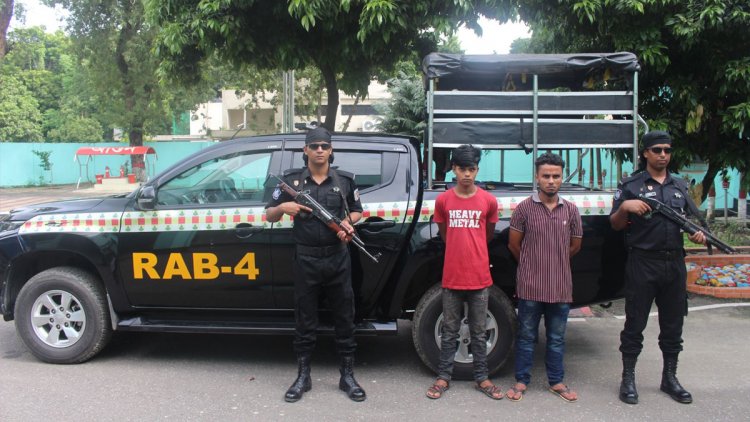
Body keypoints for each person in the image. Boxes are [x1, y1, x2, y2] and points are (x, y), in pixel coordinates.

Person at [266, 127, 366, 403]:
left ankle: (347, 376)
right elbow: (269, 214)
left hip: (337, 257)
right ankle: (303, 376)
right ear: (305, 150)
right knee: (305, 318)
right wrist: (283, 208)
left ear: (331, 150)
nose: (320, 150)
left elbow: (358, 209)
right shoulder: (290, 181)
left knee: (345, 317)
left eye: (324, 145)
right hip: (305, 258)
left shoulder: (344, 181)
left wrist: (349, 223)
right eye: (314, 146)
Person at [610, 130, 706, 405]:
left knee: (673, 326)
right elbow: (615, 224)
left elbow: (688, 222)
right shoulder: (631, 185)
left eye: (667, 150)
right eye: (657, 150)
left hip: (674, 263)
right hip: (643, 262)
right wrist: (625, 207)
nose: (663, 154)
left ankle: (670, 378)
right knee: (635, 324)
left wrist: (697, 234)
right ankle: (628, 378)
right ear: (645, 153)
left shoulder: (680, 186)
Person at [425, 144, 503, 400]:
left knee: (479, 332)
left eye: (471, 169)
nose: (467, 174)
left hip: (480, 278)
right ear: (453, 170)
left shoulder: (488, 201)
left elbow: (487, 235)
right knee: (450, 330)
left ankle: (482, 377)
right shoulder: (443, 200)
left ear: (477, 169)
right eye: (462, 169)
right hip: (452, 278)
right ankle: (443, 377)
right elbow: (445, 234)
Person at [506, 152, 582, 403]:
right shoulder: (524, 209)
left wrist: (555, 264)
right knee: (527, 337)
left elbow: (575, 247)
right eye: (546, 176)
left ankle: (556, 382)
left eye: (556, 176)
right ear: (537, 177)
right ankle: (521, 381)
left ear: (562, 178)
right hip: (529, 287)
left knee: (557, 339)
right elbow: (514, 245)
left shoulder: (571, 211)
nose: (551, 180)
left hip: (560, 288)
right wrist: (532, 265)